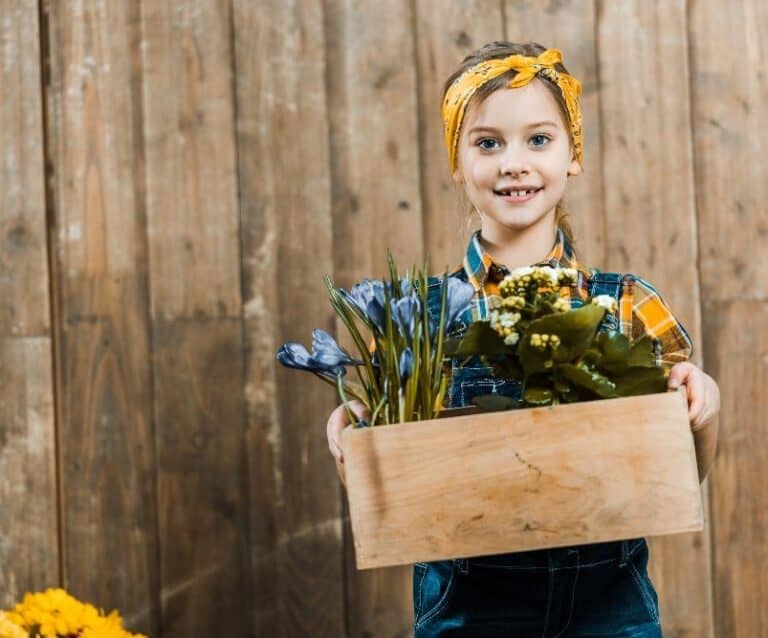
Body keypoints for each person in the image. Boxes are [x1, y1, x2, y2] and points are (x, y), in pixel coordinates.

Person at [326, 41, 720, 637]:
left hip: (610, 607)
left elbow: (682, 474)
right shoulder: (417, 321)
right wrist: (350, 444)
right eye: (488, 143)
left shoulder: (629, 304)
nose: (514, 162)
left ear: (572, 156)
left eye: (539, 139)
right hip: (470, 609)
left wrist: (703, 407)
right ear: (458, 164)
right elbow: (393, 498)